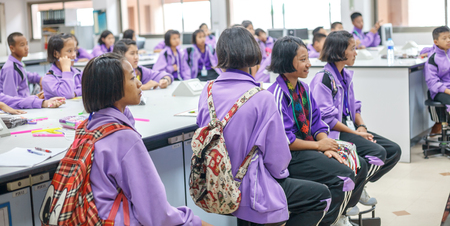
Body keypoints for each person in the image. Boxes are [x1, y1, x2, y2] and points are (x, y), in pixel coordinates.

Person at [196, 27, 331, 226]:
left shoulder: (206, 91)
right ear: (254, 53)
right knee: (321, 196)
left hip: (215, 185)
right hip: (252, 192)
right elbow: (278, 160)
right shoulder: (261, 97)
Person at [81, 53, 211, 226]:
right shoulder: (124, 139)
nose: (139, 83)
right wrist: (194, 221)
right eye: (132, 78)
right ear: (114, 88)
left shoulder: (89, 126)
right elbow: (158, 214)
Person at [267, 36, 368, 226]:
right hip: (292, 155)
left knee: (359, 165)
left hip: (309, 146)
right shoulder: (277, 95)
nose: (309, 64)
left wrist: (326, 145)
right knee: (344, 178)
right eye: (303, 59)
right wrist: (318, 145)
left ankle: (340, 216)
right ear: (287, 61)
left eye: (307, 58)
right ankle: (329, 221)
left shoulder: (304, 89)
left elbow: (317, 123)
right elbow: (286, 141)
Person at [310, 31, 401, 216]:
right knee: (377, 152)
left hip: (350, 128)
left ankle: (359, 186)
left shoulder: (345, 76)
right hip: (334, 132)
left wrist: (362, 127)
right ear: (340, 51)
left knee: (393, 150)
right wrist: (356, 134)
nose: (356, 52)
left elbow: (354, 106)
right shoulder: (323, 79)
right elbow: (327, 120)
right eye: (353, 48)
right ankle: (350, 198)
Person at [0, 32, 42, 97]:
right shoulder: (10, 69)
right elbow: (11, 100)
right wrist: (34, 100)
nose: (27, 48)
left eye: (26, 44)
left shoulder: (17, 63)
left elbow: (24, 75)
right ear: (12, 48)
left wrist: (39, 79)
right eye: (22, 45)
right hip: (18, 106)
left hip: (24, 102)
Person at [42, 33, 82, 99]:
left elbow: (89, 88)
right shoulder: (48, 79)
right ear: (56, 54)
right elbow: (68, 94)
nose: (74, 54)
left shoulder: (78, 73)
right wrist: (66, 70)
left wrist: (74, 93)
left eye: (75, 50)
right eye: (69, 51)